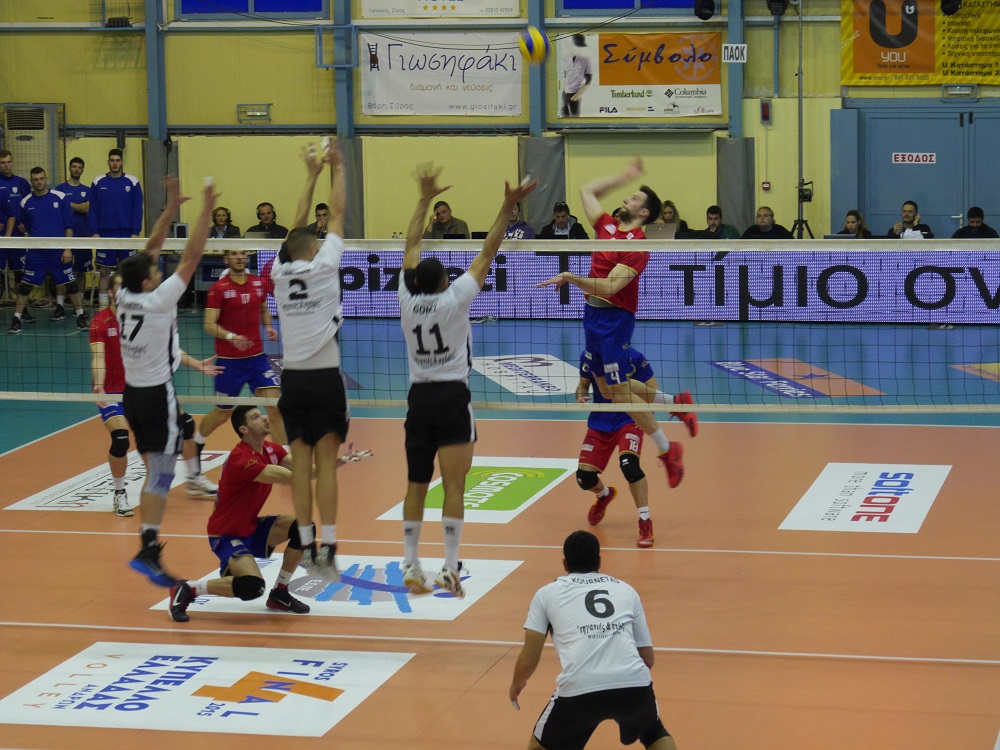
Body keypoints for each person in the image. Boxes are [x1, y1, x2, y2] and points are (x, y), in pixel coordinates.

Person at [397, 164, 538, 598]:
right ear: (445, 282)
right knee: (455, 486)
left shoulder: (405, 298)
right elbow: (489, 250)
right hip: (452, 398)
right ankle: (449, 567)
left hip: (418, 399)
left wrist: (422, 198)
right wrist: (507, 207)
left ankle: (410, 562)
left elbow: (411, 245)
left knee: (415, 485)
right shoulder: (455, 299)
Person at [537, 157, 687, 490]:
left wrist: (570, 277)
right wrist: (625, 175)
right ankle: (675, 404)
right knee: (606, 389)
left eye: (634, 198)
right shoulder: (605, 226)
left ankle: (667, 448)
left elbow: (608, 287)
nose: (626, 199)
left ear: (643, 212)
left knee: (618, 393)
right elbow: (587, 190)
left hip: (614, 321)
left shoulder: (638, 248)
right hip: (592, 316)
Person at [167, 405, 372, 622]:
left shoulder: (270, 449)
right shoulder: (242, 459)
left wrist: (337, 461)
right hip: (226, 535)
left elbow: (305, 469)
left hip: (251, 526)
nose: (265, 418)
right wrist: (328, 463)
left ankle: (280, 593)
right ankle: (188, 588)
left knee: (302, 528)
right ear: (244, 429)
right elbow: (292, 476)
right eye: (256, 417)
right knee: (252, 587)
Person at [121, 175, 217, 587]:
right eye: (155, 271)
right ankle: (148, 548)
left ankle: (148, 544)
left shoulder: (122, 295)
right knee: (161, 475)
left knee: (154, 473)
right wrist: (206, 209)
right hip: (158, 397)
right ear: (148, 282)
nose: (159, 270)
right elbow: (192, 256)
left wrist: (171, 207)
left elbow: (150, 250)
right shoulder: (160, 300)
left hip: (132, 396)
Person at [509, 530, 678, 750]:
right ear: (599, 561)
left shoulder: (546, 594)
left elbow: (529, 659)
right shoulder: (626, 590)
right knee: (654, 732)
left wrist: (516, 684)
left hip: (580, 688)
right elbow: (648, 659)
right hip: (634, 684)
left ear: (565, 564)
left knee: (539, 746)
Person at [271, 141, 349, 577]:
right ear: (314, 250)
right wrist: (338, 166)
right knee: (328, 467)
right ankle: (331, 546)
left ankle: (305, 540)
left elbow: (295, 229)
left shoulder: (278, 273)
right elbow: (336, 214)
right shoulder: (324, 265)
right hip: (325, 379)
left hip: (293, 381)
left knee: (300, 467)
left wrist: (310, 174)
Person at [91, 269, 222, 517]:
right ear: (111, 293)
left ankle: (194, 477)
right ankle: (119, 493)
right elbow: (98, 357)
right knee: (121, 438)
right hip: (114, 393)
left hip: (146, 386)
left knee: (186, 424)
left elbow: (168, 349)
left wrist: (197, 364)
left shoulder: (146, 313)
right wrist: (99, 384)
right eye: (118, 287)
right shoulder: (100, 322)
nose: (123, 291)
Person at [194, 245, 285, 456]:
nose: (239, 257)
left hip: (257, 360)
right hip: (229, 363)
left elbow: (263, 309)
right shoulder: (218, 289)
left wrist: (268, 326)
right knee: (222, 413)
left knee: (274, 407)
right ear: (226, 259)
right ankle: (196, 442)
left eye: (242, 253)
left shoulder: (258, 283)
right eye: (234, 254)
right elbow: (209, 324)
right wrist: (231, 337)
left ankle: (284, 456)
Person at [576, 348, 659, 548]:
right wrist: (581, 395)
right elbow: (582, 385)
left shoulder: (635, 358)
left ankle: (645, 522)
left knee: (630, 466)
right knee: (584, 478)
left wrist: (647, 416)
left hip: (629, 419)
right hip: (600, 421)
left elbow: (653, 392)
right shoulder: (589, 355)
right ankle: (604, 495)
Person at [6, 167, 88, 333]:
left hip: (59, 251)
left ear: (46, 178)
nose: (39, 182)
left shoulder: (61, 197)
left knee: (71, 284)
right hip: (36, 253)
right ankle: (16, 319)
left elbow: (68, 226)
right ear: (31, 181)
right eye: (36, 179)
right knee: (25, 286)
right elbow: (27, 225)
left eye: (42, 178)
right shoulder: (25, 202)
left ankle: (80, 317)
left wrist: (67, 249)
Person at [89, 148, 144, 307]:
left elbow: (137, 208)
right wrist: (94, 232)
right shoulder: (98, 182)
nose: (114, 163)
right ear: (108, 162)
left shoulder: (132, 182)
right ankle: (103, 307)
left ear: (121, 162)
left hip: (127, 234)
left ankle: (128, 305)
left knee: (128, 272)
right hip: (105, 234)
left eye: (117, 160)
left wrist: (135, 232)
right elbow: (93, 208)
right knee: (104, 272)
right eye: (112, 160)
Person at [0, 150, 33, 317]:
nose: (6, 165)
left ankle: (22, 310)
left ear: (12, 162)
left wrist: (26, 225)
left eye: (8, 162)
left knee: (20, 274)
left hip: (17, 238)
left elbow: (29, 206)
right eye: (2, 162)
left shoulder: (22, 183)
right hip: (0, 238)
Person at [55, 156, 95, 284]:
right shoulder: (60, 189)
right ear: (69, 168)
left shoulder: (88, 190)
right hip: (64, 237)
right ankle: (61, 297)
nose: (76, 169)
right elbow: (58, 211)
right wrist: (80, 206)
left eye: (79, 167)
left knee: (81, 273)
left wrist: (68, 204)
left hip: (83, 237)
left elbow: (87, 209)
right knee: (62, 272)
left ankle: (81, 296)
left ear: (83, 170)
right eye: (74, 167)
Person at [561, 34, 593, 117]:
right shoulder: (565, 58)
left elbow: (589, 80)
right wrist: (564, 90)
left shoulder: (585, 59)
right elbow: (565, 75)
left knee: (575, 119)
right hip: (565, 93)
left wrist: (575, 97)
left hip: (576, 94)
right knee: (563, 118)